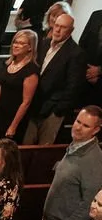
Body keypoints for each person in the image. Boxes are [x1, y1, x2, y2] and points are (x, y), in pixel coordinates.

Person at [39, 106, 102, 220]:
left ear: (96, 130)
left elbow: (90, 201)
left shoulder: (93, 159)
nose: (78, 127)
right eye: (77, 121)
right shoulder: (77, 146)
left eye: (86, 126)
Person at [24, 10, 86, 145]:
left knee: (43, 149)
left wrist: (58, 110)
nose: (57, 30)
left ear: (71, 30)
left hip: (53, 110)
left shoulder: (76, 53)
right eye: (56, 25)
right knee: (26, 144)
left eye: (63, 27)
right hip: (34, 105)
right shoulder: (43, 43)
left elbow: (73, 86)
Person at [0, 28, 39, 143]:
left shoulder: (31, 71)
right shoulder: (9, 63)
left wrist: (13, 126)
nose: (16, 45)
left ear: (30, 47)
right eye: (15, 42)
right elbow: (3, 87)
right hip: (1, 113)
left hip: (14, 117)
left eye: (21, 43)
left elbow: (26, 102)